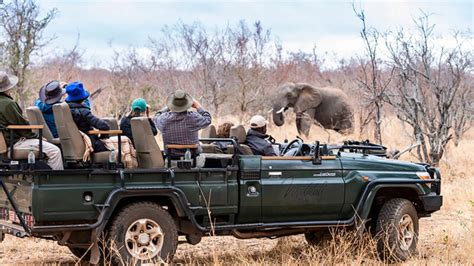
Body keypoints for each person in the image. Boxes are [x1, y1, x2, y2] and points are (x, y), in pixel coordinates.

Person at [0, 72, 63, 170]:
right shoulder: (7, 104)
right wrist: (38, 137)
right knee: (55, 151)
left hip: (7, 142)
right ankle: (53, 183)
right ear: (7, 88)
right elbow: (21, 126)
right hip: (13, 143)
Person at [154, 90, 211, 163]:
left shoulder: (164, 119)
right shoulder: (193, 117)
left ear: (172, 105)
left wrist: (167, 108)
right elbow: (208, 119)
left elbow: (156, 117)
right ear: (188, 104)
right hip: (194, 161)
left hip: (171, 161)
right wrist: (198, 106)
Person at [65, 81, 110, 152]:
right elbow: (104, 126)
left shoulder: (66, 110)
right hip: (90, 143)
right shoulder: (83, 111)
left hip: (74, 143)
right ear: (83, 98)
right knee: (120, 145)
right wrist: (103, 137)